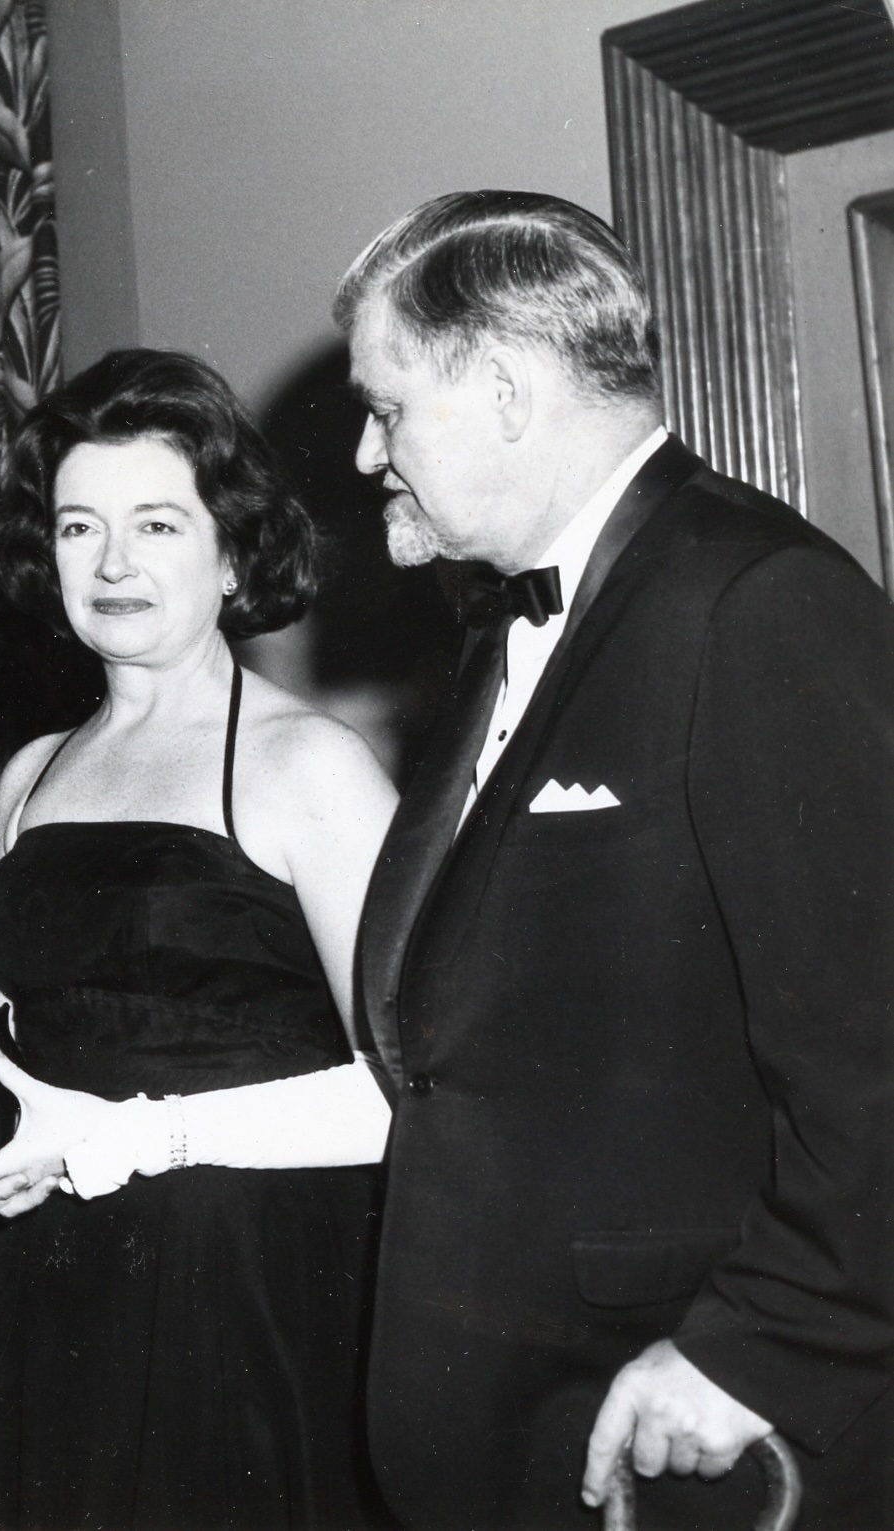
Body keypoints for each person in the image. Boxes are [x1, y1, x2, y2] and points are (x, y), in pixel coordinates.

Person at [342, 191, 893, 1527]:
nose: (365, 453)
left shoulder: (760, 602)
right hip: (507, 1422)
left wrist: (761, 1343)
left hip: (675, 1435)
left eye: (387, 406)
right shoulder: (505, 627)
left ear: (506, 388)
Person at [0, 348, 400, 1529]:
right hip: (46, 1276)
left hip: (244, 1282)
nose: (114, 562)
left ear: (233, 550)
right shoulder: (32, 772)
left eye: (154, 523)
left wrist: (132, 1138)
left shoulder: (308, 765)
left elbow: (405, 1093)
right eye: (79, 527)